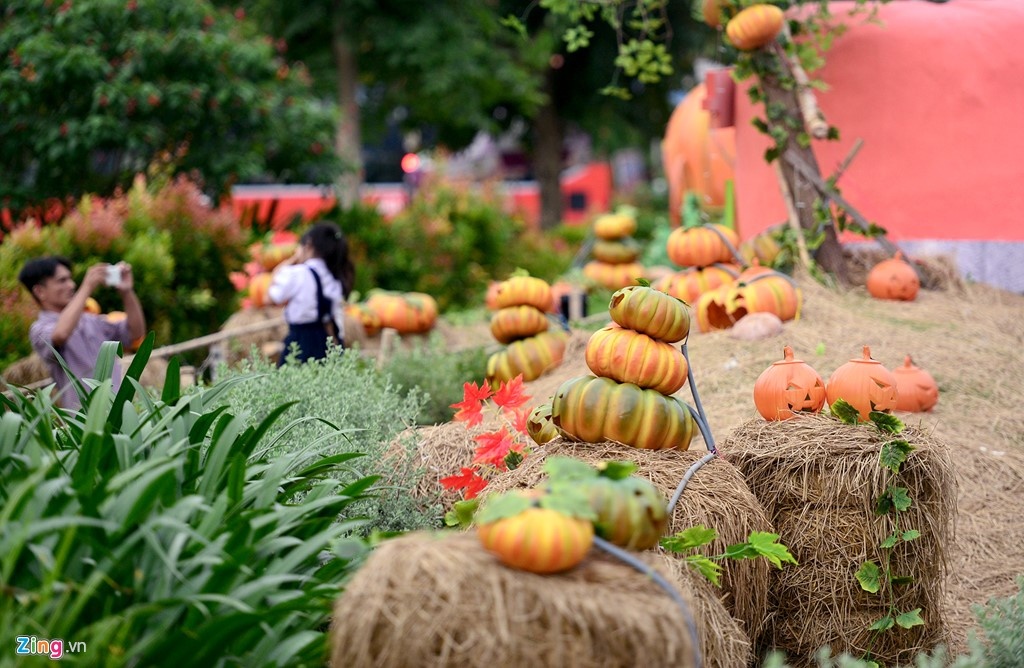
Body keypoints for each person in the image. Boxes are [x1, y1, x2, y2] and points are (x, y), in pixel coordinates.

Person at [18, 256, 146, 409]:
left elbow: (136, 333)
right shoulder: (39, 329)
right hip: (84, 419)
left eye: (70, 279)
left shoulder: (90, 320)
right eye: (62, 280)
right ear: (40, 291)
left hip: (119, 409)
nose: (72, 285)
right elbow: (60, 334)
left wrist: (127, 292)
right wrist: (87, 287)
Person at [268, 221, 354, 365]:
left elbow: (270, 297)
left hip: (301, 340)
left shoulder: (298, 274)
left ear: (308, 245)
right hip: (326, 339)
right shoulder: (334, 276)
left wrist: (292, 260)